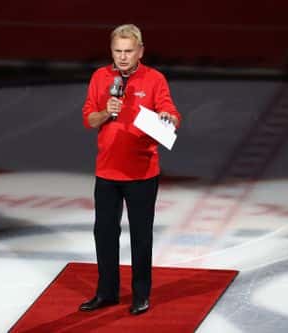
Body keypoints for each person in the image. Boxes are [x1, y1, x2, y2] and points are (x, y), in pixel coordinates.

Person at [79, 23, 181, 315]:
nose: (122, 57)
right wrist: (105, 112)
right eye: (117, 51)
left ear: (140, 51)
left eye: (128, 51)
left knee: (140, 235)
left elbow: (173, 114)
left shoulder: (154, 79)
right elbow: (88, 119)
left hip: (142, 174)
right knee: (104, 233)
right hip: (107, 172)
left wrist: (167, 117)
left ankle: (140, 295)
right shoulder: (100, 77)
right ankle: (106, 293)